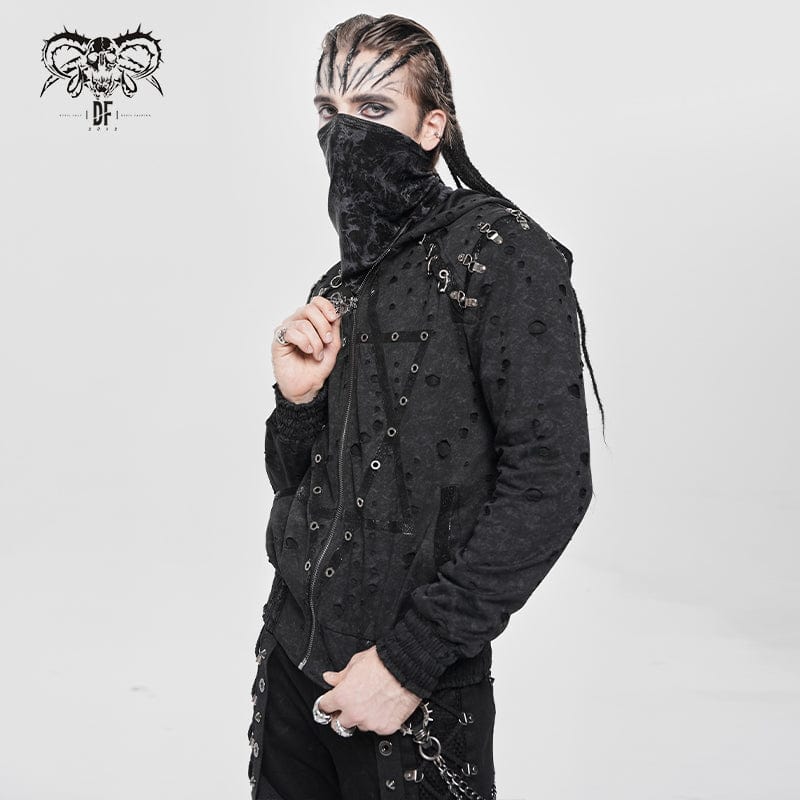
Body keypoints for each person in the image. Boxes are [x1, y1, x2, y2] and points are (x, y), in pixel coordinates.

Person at [247, 12, 604, 800]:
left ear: (431, 127)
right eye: (328, 110)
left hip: (413, 695)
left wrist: (409, 662)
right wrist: (296, 402)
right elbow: (294, 482)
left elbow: (551, 483)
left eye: (374, 109)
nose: (344, 133)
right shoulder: (338, 283)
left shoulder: (501, 253)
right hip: (290, 666)